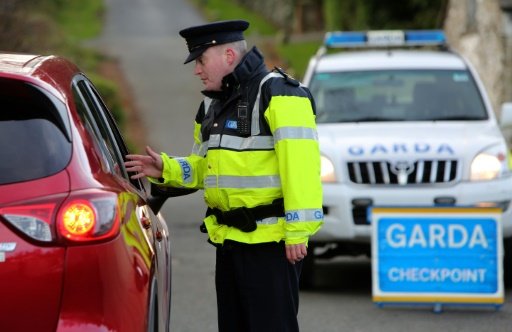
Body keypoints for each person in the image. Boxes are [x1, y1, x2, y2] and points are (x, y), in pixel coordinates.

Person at [125, 19, 323, 332]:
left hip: (270, 245)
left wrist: (299, 230)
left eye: (201, 60)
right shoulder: (211, 105)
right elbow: (206, 168)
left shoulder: (281, 94)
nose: (197, 70)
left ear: (228, 56)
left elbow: (301, 167)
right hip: (229, 243)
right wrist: (168, 168)